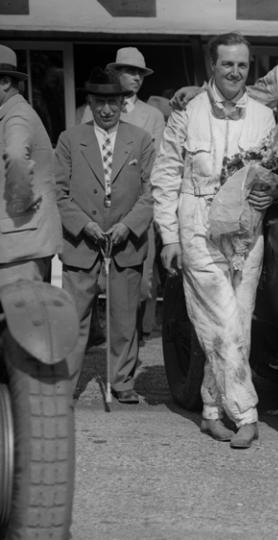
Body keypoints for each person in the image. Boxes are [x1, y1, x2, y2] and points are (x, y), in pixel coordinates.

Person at [152, 33, 278, 448]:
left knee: (237, 324)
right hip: (199, 226)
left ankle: (210, 410)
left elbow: (275, 175)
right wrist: (169, 237)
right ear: (212, 66)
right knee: (222, 323)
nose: (235, 72)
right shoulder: (187, 114)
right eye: (227, 64)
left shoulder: (264, 116)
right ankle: (246, 415)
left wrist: (273, 190)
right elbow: (166, 177)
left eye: (242, 65)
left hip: (246, 231)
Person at [54, 67, 155, 403]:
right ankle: (65, 383)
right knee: (74, 316)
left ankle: (122, 381)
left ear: (123, 103)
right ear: (91, 102)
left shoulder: (140, 140)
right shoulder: (70, 139)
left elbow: (152, 192)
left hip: (126, 239)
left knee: (124, 317)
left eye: (113, 102)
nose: (107, 109)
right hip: (82, 240)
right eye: (100, 102)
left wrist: (129, 224)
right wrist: (85, 225)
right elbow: (59, 192)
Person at [0, 43, 62, 289]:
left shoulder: (17, 115)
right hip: (17, 242)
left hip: (21, 243)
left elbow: (16, 156)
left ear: (5, 82)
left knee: (20, 322)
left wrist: (20, 201)